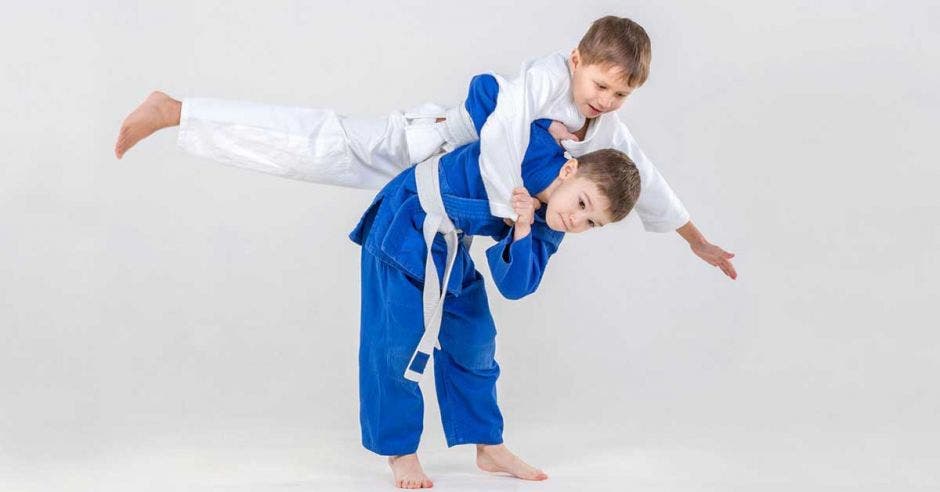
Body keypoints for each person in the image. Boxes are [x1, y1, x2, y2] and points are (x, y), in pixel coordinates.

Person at [114, 15, 737, 279]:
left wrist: (695, 239)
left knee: (322, 155)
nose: (604, 102)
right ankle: (176, 110)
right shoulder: (547, 77)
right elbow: (499, 133)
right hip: (431, 140)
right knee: (327, 142)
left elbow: (646, 179)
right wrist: (511, 203)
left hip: (442, 181)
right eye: (600, 85)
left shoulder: (603, 131)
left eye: (620, 96)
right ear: (577, 60)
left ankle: (180, 113)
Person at [351, 72, 641, 488]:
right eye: (582, 203)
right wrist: (546, 124)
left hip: (449, 246)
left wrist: (523, 226)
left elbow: (516, 285)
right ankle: (400, 452)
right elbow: (486, 89)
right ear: (569, 169)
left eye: (590, 222)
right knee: (394, 342)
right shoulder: (536, 146)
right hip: (404, 222)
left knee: (475, 338)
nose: (576, 219)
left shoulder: (550, 225)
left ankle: (488, 446)